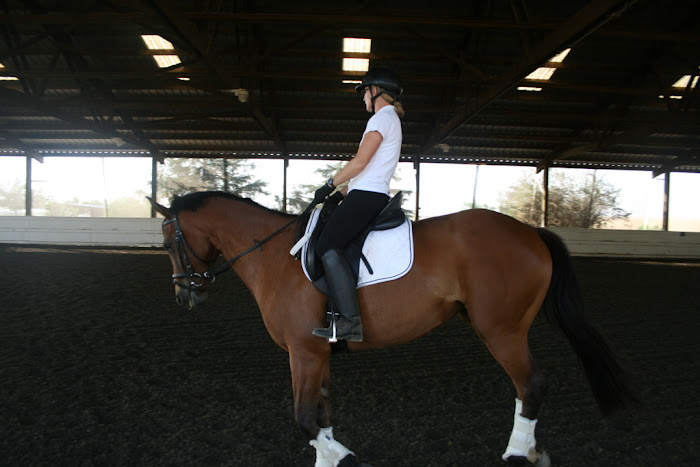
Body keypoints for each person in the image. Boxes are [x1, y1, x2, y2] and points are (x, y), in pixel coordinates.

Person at [310, 67, 404, 342]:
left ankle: (350, 321)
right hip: (365, 192)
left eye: (364, 91)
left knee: (326, 245)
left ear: (375, 91)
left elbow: (360, 162)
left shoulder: (380, 119)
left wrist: (330, 184)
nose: (363, 97)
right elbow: (369, 169)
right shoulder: (389, 120)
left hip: (368, 195)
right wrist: (341, 193)